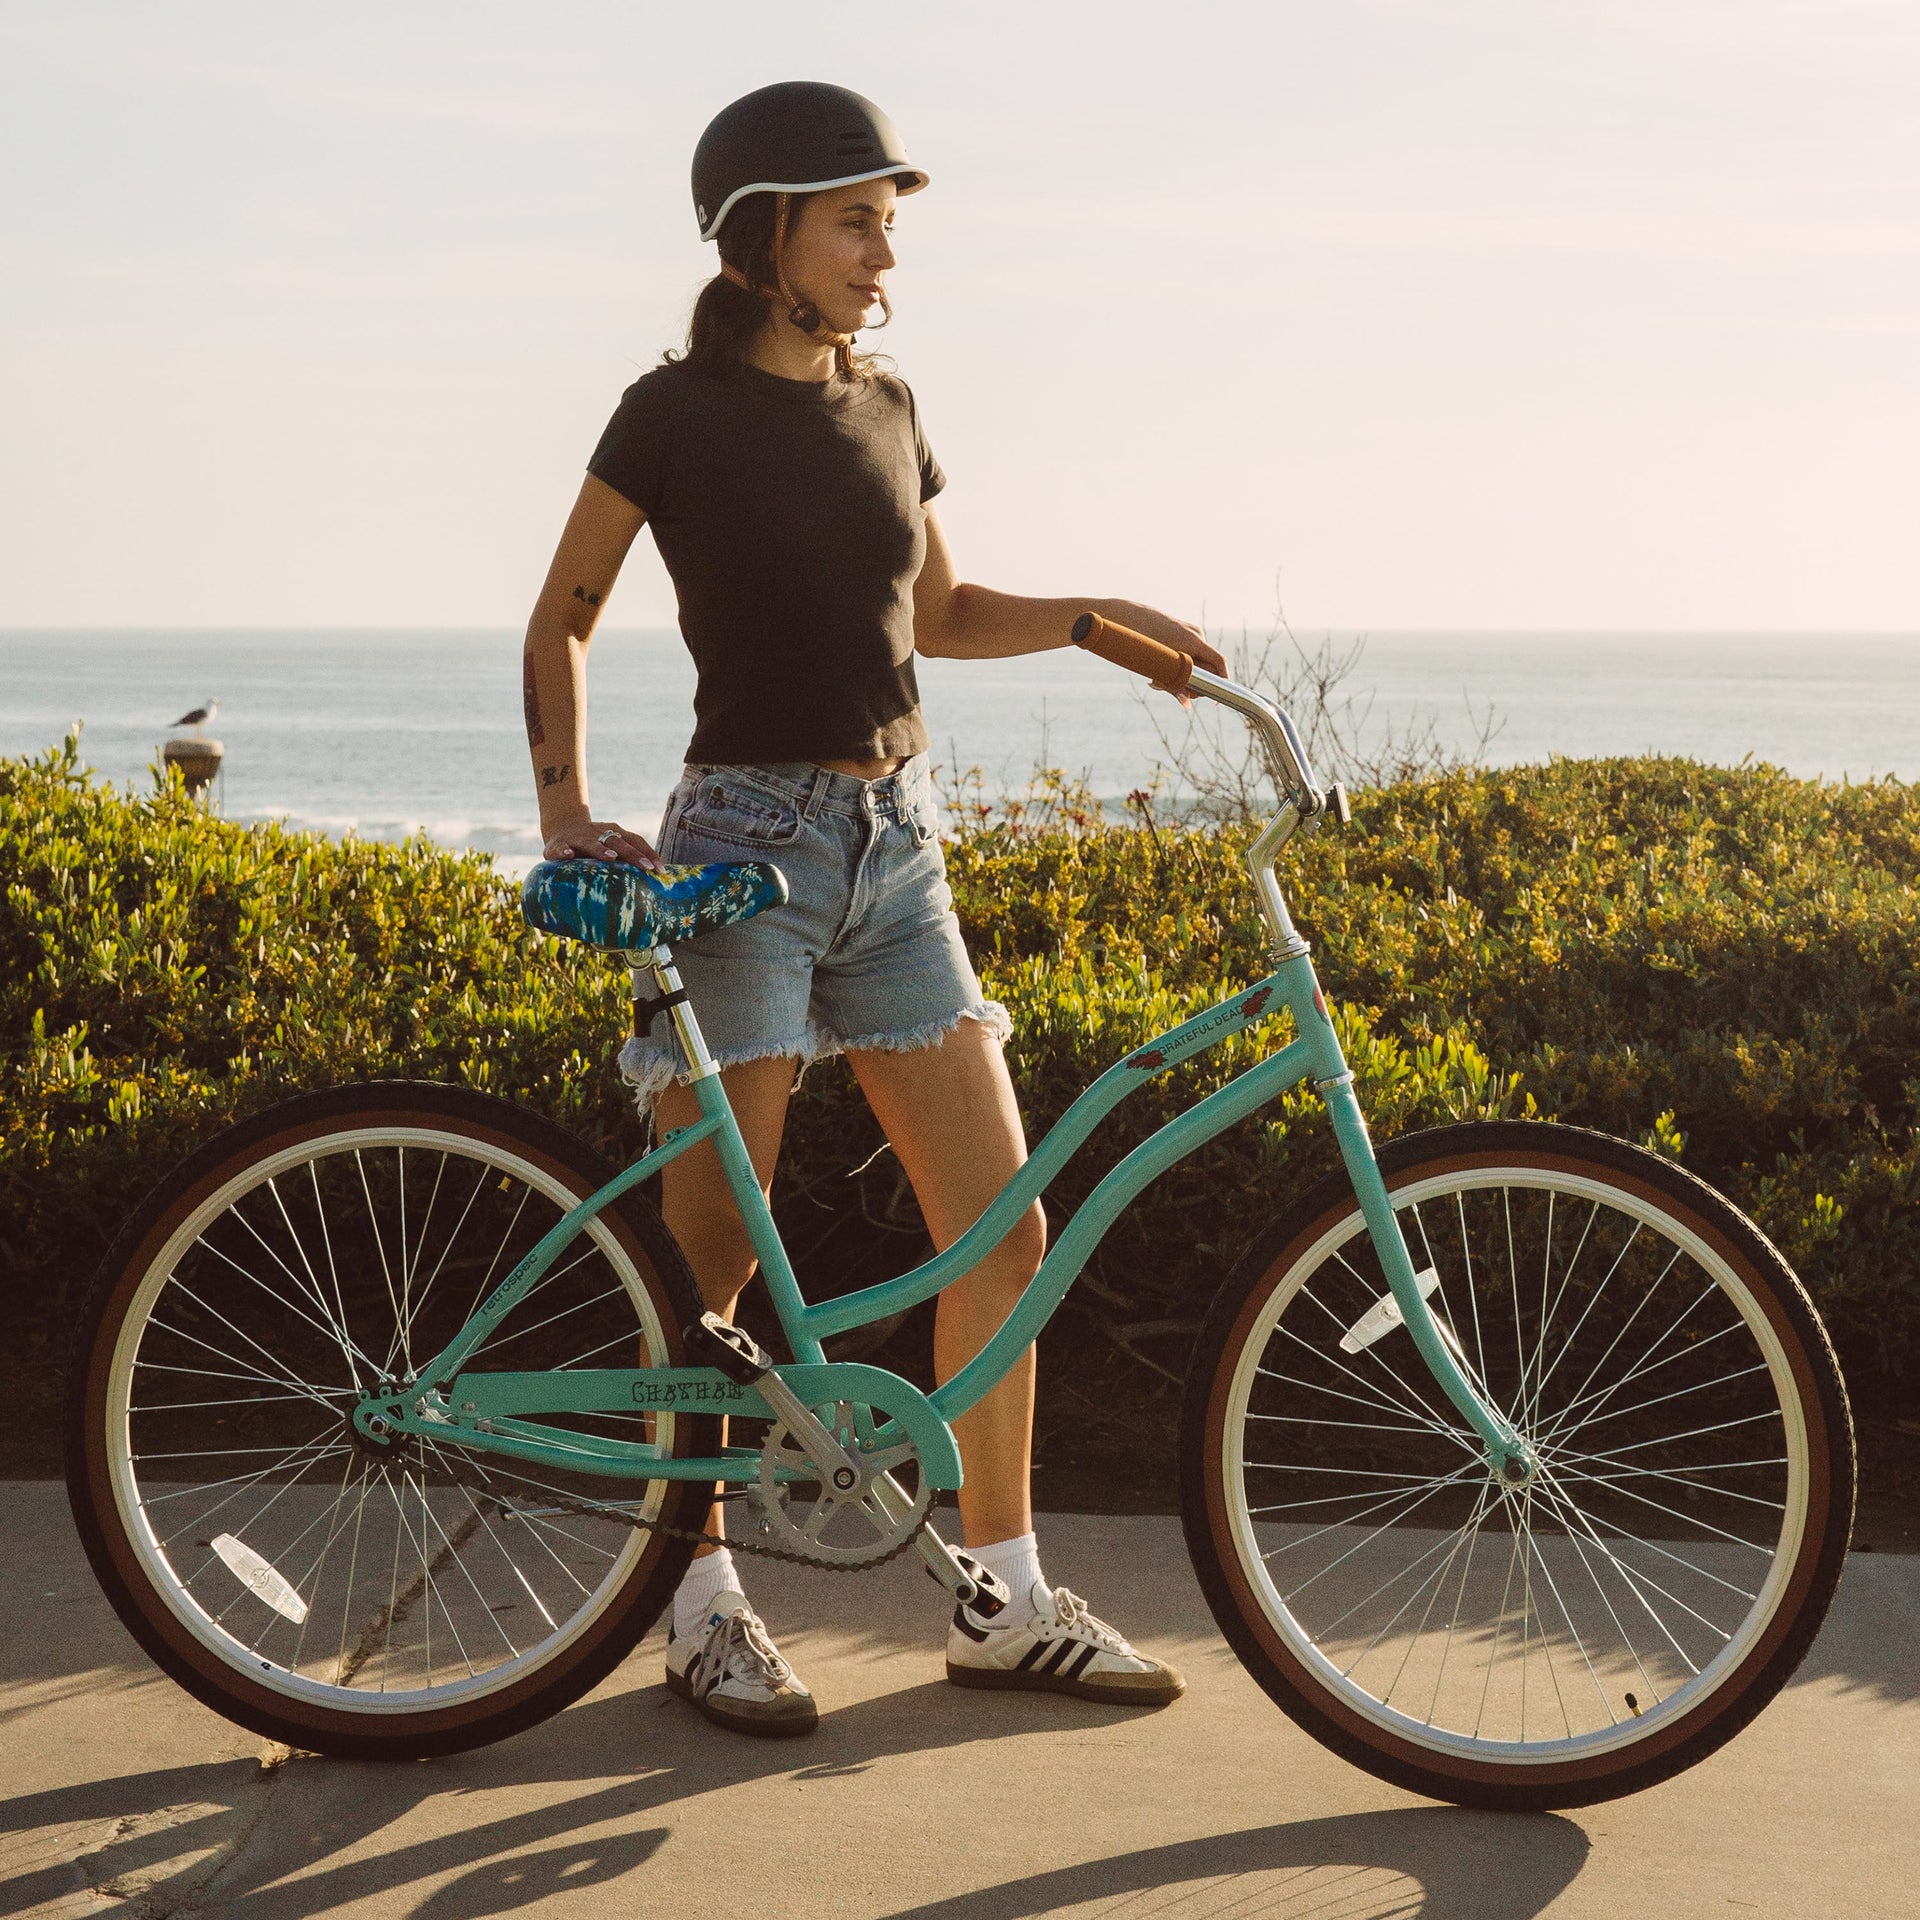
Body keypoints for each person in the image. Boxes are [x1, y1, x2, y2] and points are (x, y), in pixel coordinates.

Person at [522, 81, 1226, 1738]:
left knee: (1002, 1232)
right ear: (762, 234)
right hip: (740, 849)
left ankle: (1007, 1600)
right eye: (856, 221)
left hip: (894, 847)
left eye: (887, 223)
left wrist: (1096, 618)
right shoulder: (670, 413)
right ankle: (698, 1603)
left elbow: (943, 611)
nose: (884, 252)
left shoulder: (890, 405)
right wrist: (565, 812)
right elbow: (561, 620)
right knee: (709, 1267)